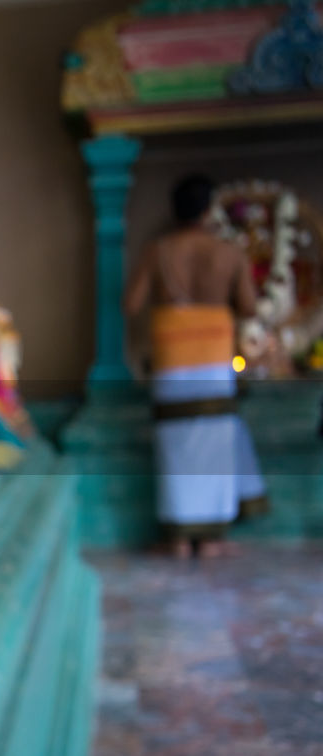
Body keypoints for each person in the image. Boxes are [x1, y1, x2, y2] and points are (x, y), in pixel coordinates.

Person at [124, 174, 259, 558]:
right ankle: (213, 537)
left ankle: (179, 538)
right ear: (208, 209)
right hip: (216, 358)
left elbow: (130, 304)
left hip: (172, 359)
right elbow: (248, 307)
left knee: (176, 446)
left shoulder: (158, 250)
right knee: (215, 443)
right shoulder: (228, 252)